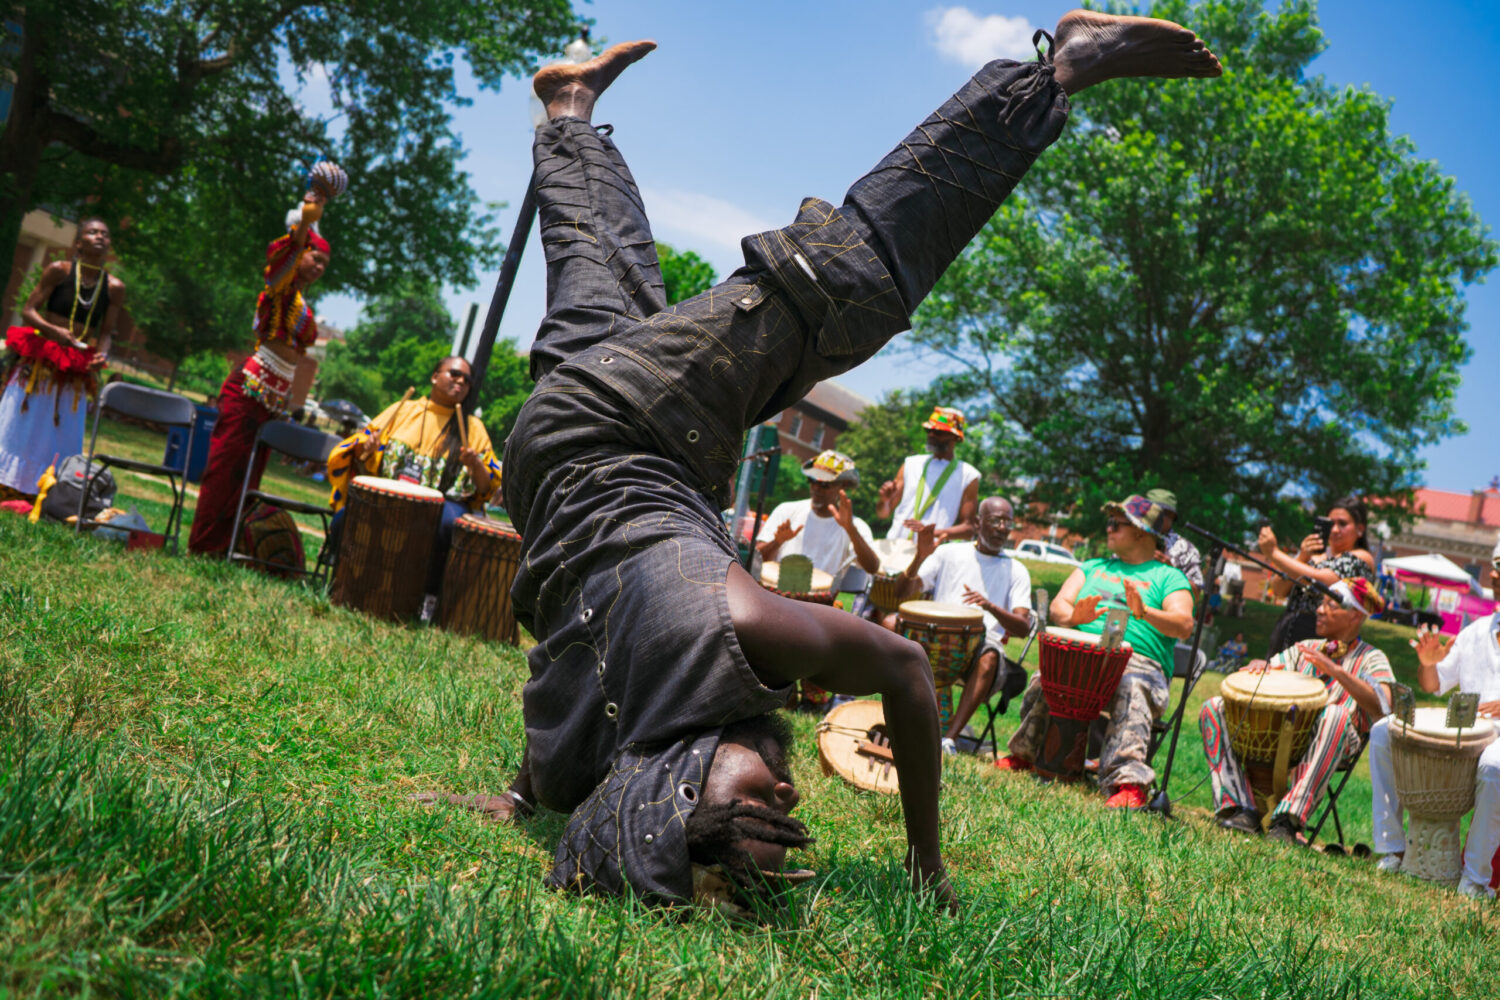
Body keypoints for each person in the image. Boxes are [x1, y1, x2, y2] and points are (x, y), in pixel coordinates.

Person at [422, 16, 1220, 913]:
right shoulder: (597, 765)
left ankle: (1054, 72)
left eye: (753, 803)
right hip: (552, 455)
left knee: (841, 284)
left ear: (679, 783)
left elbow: (907, 672)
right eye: (787, 814)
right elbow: (570, 694)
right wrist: (522, 800)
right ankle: (568, 108)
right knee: (596, 271)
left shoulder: (731, 625)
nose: (786, 791)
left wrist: (926, 865)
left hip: (634, 425)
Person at [996, 493, 1194, 809]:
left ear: (1141, 532)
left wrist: (1144, 612)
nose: (1108, 529)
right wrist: (1075, 616)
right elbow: (1059, 605)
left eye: (1116, 524)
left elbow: (1183, 625)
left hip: (1138, 664)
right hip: (1083, 656)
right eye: (1109, 523)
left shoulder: (1169, 577)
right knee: (1048, 675)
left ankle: (1128, 784)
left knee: (1131, 685)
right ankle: (1027, 755)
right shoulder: (1092, 567)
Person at [188, 163, 347, 555]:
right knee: (226, 468)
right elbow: (289, 253)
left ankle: (232, 545)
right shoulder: (279, 287)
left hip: (274, 397)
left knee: (250, 476)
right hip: (250, 386)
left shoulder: (303, 303)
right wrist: (309, 217)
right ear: (299, 252)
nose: (319, 266)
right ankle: (204, 546)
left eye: (324, 264)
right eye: (314, 258)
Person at [1200, 578, 1393, 842]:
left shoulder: (1372, 658)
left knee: (1334, 714)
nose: (1319, 610)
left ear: (1355, 616)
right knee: (1213, 707)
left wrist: (1335, 670)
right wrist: (1260, 667)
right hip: (1285, 735)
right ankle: (1239, 808)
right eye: (1321, 603)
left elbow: (1385, 704)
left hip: (1336, 741)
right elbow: (1271, 666)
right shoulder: (1305, 648)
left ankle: (1287, 820)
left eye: (1330, 605)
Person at [1369, 539, 1500, 898]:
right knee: (1383, 732)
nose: (1493, 574)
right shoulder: (1474, 632)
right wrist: (1427, 663)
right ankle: (1392, 848)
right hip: (1469, 732)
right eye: (1494, 565)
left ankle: (1474, 879)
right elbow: (1433, 684)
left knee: (1494, 765)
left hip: (1495, 746)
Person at [325, 355, 502, 618]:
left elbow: (486, 487)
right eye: (454, 374)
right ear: (434, 377)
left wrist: (475, 464)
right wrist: (366, 447)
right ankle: (343, 580)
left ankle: (429, 599)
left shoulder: (472, 427)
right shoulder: (404, 410)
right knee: (344, 518)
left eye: (467, 379)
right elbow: (360, 454)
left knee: (447, 526)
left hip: (444, 501)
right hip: (391, 493)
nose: (461, 381)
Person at [890, 497, 1033, 753]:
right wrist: (920, 557)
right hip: (934, 637)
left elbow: (1023, 627)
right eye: (995, 520)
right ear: (978, 522)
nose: (1002, 528)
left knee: (990, 657)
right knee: (890, 624)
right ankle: (890, 714)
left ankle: (949, 739)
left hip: (979, 646)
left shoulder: (1017, 570)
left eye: (1007, 522)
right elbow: (901, 592)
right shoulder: (948, 553)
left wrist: (990, 607)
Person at [0, 218, 124, 500]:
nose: (100, 237)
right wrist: (53, 331)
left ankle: (50, 489)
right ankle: (6, 482)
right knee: (24, 417)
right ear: (78, 243)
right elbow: (29, 310)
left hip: (77, 363)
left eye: (105, 234)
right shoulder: (59, 270)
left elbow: (106, 332)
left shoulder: (114, 287)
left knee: (60, 426)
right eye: (92, 232)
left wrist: (102, 354)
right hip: (43, 356)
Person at [1257, 496, 1376, 658]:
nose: (1335, 530)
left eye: (1342, 524)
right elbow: (1278, 589)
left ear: (1360, 529)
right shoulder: (1315, 556)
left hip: (1322, 639)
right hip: (1285, 633)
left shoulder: (1362, 558)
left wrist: (1273, 553)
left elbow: (1321, 582)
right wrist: (1302, 557)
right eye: (1331, 523)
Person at [756, 449, 879, 584]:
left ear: (842, 485)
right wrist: (777, 542)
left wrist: (850, 530)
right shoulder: (786, 510)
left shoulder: (856, 525)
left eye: (824, 484)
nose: (816, 488)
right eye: (812, 480)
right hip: (776, 591)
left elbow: (872, 567)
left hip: (820, 597)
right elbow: (757, 559)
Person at [875, 406, 980, 543]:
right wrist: (884, 501)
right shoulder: (910, 464)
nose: (931, 435)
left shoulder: (968, 476)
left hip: (932, 552)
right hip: (896, 546)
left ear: (955, 437)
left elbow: (968, 529)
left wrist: (930, 532)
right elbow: (883, 514)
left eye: (938, 432)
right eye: (929, 430)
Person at [1147, 488, 1202, 594]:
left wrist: (1171, 571)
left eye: (1157, 512)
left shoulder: (1186, 549)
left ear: (1171, 515)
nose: (1152, 516)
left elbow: (1196, 594)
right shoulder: (1132, 537)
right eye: (1148, 511)